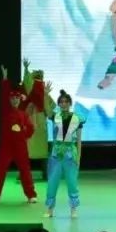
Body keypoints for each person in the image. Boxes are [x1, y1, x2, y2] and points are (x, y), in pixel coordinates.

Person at [0, 64, 38, 204]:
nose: (15, 100)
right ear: (9, 100)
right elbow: (4, 94)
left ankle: (31, 195)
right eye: (12, 98)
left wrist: (23, 133)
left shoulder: (23, 114)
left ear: (19, 99)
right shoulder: (5, 111)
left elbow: (31, 129)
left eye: (17, 98)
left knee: (25, 171)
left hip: (20, 147)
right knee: (0, 171)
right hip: (6, 147)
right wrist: (5, 79)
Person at [45, 89, 84, 218]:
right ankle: (50, 208)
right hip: (56, 154)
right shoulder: (55, 116)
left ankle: (73, 208)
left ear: (70, 103)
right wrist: (45, 94)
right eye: (61, 102)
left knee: (72, 182)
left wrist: (78, 157)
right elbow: (47, 109)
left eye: (66, 102)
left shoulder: (77, 119)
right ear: (59, 104)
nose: (64, 104)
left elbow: (79, 140)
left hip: (70, 154)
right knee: (52, 182)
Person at [21, 58, 54, 181]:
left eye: (40, 77)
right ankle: (25, 173)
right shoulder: (34, 88)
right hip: (32, 122)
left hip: (39, 123)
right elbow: (28, 84)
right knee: (28, 149)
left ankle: (44, 173)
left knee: (38, 150)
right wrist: (26, 69)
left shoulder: (42, 90)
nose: (39, 79)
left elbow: (50, 107)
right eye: (37, 77)